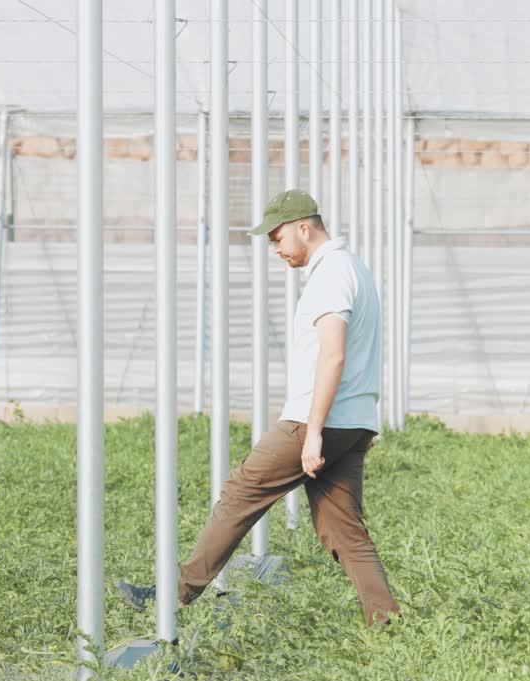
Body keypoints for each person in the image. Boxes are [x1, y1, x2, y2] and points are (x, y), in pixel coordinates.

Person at [117, 189, 400, 626]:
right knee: (343, 530)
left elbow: (334, 355)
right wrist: (356, 427)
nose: (276, 248)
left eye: (278, 237)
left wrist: (315, 432)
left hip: (316, 419)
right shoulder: (352, 268)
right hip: (351, 419)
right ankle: (387, 623)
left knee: (240, 494)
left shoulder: (332, 275)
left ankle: (173, 596)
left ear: (304, 228)